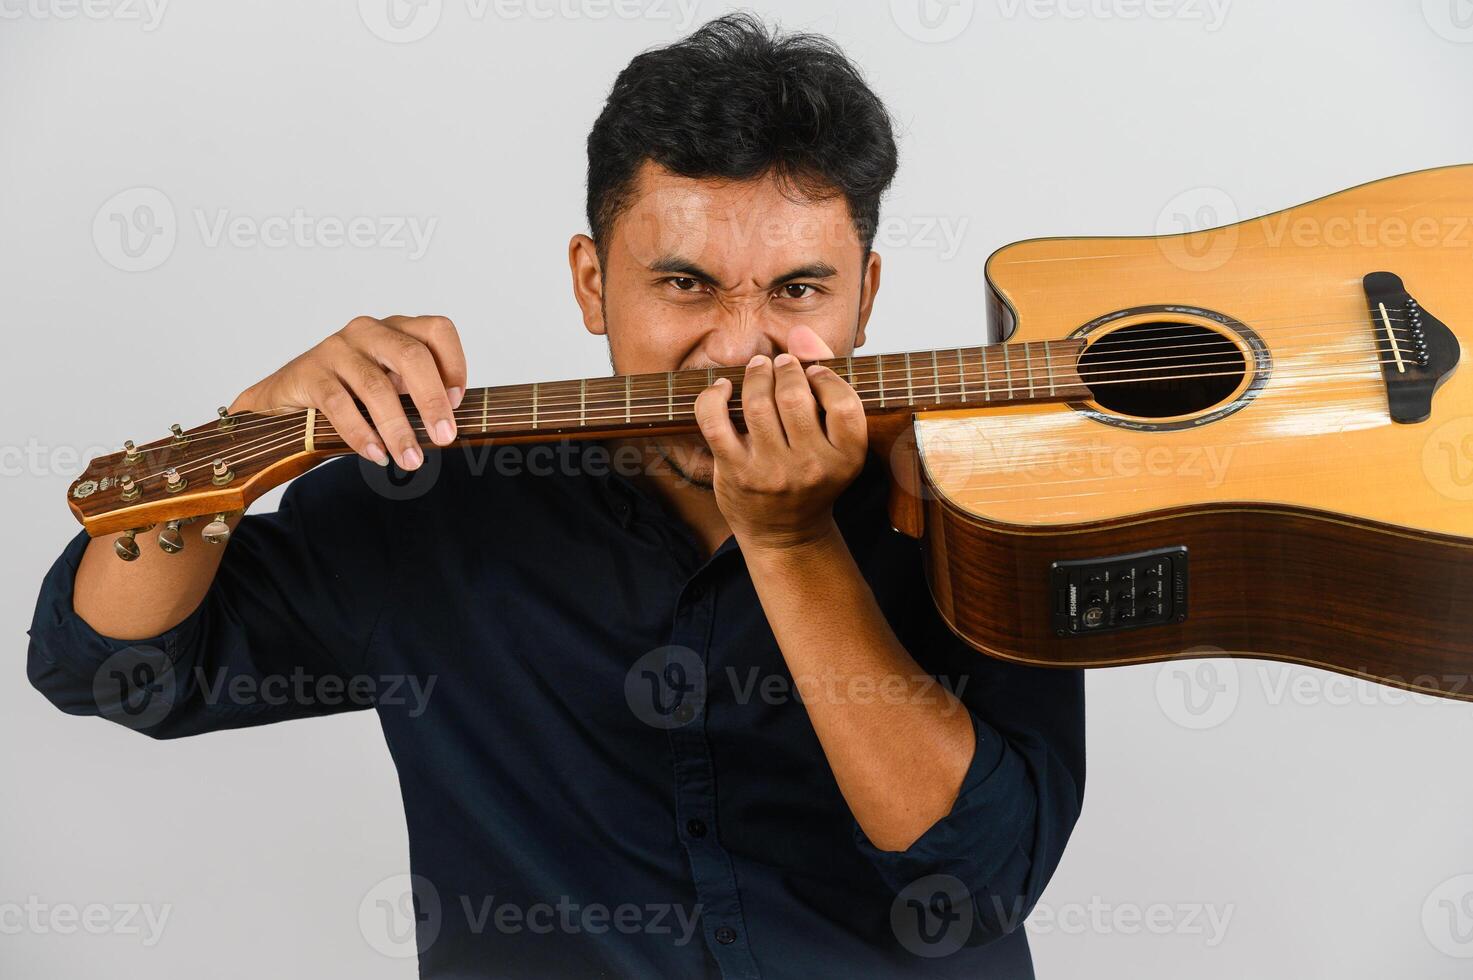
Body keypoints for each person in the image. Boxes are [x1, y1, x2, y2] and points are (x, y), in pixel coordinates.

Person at [28, 13, 1084, 978]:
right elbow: (112, 668)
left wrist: (793, 541)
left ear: (868, 294)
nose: (739, 346)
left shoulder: (988, 510)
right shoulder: (437, 503)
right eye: (685, 283)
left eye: (799, 288)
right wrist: (245, 430)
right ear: (591, 282)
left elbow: (980, 875)